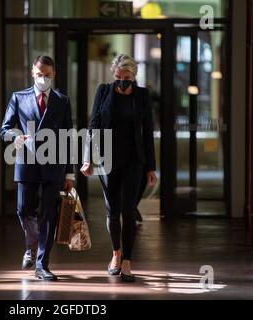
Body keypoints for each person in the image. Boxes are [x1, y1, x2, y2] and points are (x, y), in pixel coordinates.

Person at [81, 54, 157, 282]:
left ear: (134, 76)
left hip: (134, 159)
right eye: (118, 77)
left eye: (126, 77)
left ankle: (127, 261)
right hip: (107, 158)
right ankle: (116, 254)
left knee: (127, 209)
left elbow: (148, 132)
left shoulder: (142, 96)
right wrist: (87, 158)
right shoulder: (103, 91)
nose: (121, 81)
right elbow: (93, 124)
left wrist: (151, 167)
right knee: (112, 210)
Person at [0, 55, 75, 281]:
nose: (43, 78)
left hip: (54, 165)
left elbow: (68, 137)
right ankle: (31, 246)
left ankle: (42, 264)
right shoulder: (18, 98)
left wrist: (69, 172)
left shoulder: (62, 100)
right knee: (24, 209)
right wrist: (15, 137)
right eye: (39, 74)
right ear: (33, 74)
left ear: (54, 75)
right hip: (27, 161)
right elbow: (4, 128)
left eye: (48, 75)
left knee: (49, 215)